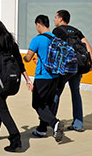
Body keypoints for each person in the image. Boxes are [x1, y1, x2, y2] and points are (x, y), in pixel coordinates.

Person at [0, 20, 32, 153]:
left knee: (2, 108)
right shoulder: (11, 44)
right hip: (11, 81)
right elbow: (20, 64)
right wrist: (27, 80)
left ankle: (15, 139)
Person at [23, 14, 65, 142]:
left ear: (38, 24)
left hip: (42, 76)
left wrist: (24, 58)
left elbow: (28, 58)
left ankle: (55, 123)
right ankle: (41, 130)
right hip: (55, 76)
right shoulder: (55, 38)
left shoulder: (37, 39)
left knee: (37, 103)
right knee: (46, 103)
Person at [52, 9, 92, 132]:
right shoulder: (76, 31)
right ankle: (78, 123)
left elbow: (54, 47)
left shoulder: (57, 31)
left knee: (56, 93)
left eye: (55, 17)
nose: (54, 19)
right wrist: (91, 63)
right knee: (76, 93)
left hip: (65, 68)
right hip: (78, 67)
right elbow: (87, 45)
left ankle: (51, 121)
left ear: (60, 18)